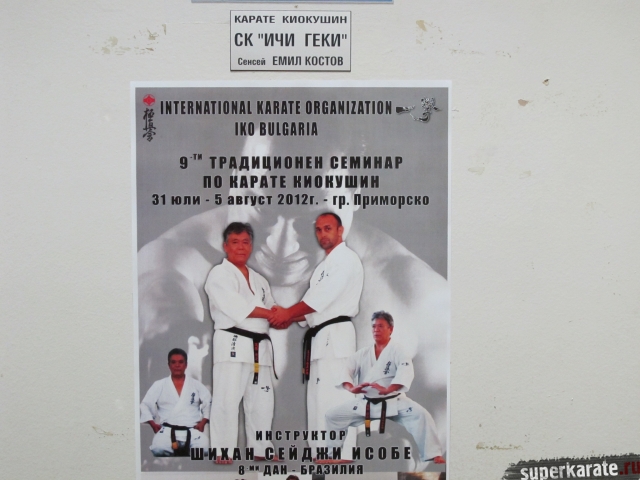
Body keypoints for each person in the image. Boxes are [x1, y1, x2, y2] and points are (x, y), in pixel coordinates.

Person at [137, 134, 449, 462]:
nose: (282, 247)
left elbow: (450, 439)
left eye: (311, 221)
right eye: (261, 206)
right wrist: (172, 334)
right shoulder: (176, 261)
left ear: (354, 195)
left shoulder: (412, 293)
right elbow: (159, 298)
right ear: (234, 182)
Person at [269, 212, 363, 454]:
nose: (322, 234)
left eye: (328, 228)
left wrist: (287, 313)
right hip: (320, 338)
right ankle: (321, 456)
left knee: (336, 400)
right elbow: (310, 310)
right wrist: (286, 317)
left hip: (337, 337)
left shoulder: (346, 259)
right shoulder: (323, 267)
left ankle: (340, 457)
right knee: (318, 403)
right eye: (319, 230)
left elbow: (318, 300)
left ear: (340, 230)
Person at [321, 312, 445, 469]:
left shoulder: (399, 351)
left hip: (394, 401)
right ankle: (332, 455)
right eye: (374, 326)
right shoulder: (363, 353)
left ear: (390, 329)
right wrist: (352, 387)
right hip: (366, 403)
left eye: (380, 326)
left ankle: (433, 455)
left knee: (422, 415)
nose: (376, 330)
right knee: (333, 416)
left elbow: (405, 374)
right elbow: (346, 371)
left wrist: (388, 389)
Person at [204, 222, 278, 463]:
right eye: (235, 242)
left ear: (251, 246)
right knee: (226, 400)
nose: (240, 247)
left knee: (262, 402)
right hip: (233, 344)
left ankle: (261, 448)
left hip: (260, 348)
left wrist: (287, 315)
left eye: (245, 242)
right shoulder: (219, 274)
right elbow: (238, 308)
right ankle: (223, 450)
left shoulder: (260, 280)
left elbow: (273, 308)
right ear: (225, 246)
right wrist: (273, 315)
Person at [140, 348, 211, 457]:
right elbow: (145, 405)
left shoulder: (196, 385)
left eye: (181, 362)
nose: (177, 365)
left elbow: (208, 402)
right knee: (158, 448)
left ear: (186, 365)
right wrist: (153, 424)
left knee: (205, 449)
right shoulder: (159, 385)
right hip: (167, 430)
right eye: (173, 362)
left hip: (192, 430)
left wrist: (203, 422)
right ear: (169, 365)